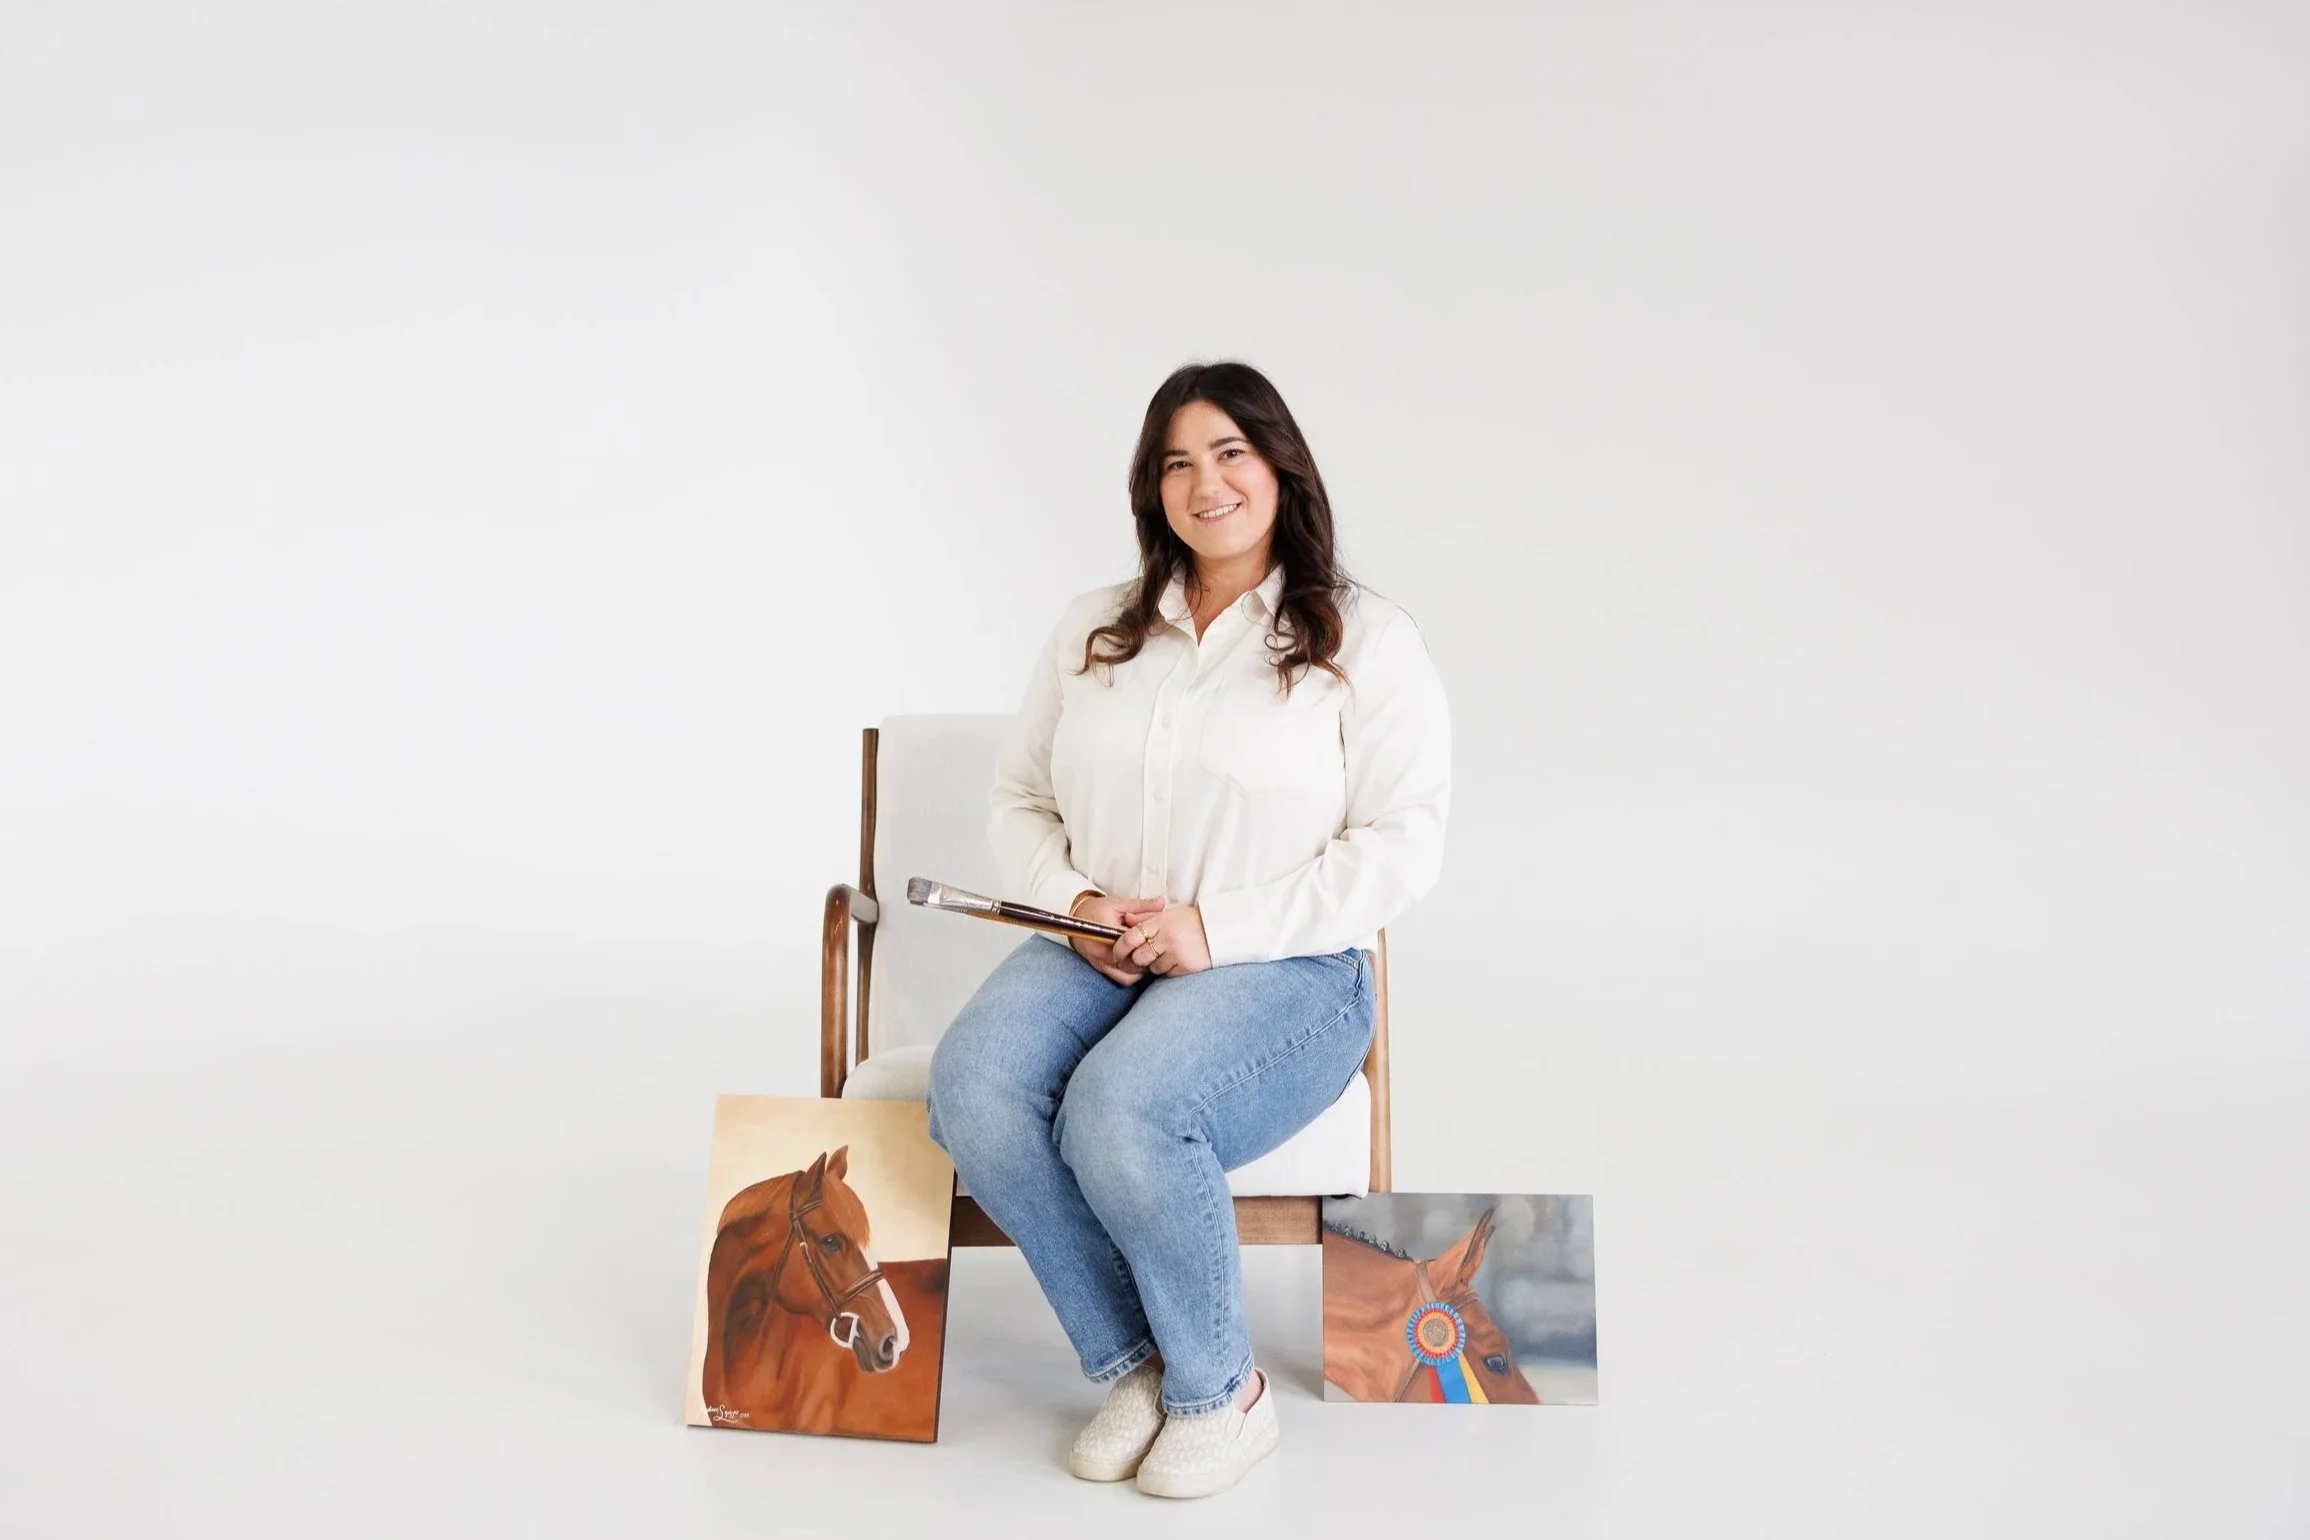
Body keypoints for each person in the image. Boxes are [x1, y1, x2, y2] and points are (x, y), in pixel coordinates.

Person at [925, 360, 1450, 1499]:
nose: (1203, 482)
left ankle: (1225, 1394)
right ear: (1149, 488)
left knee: (1127, 1106)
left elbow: (1402, 846)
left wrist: (1220, 926)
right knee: (972, 1083)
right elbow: (1018, 799)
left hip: (1287, 965)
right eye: (1175, 461)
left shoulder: (1367, 639)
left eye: (1229, 453)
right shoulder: (1094, 631)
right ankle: (1142, 1364)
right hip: (1103, 949)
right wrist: (1074, 904)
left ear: (1280, 467)